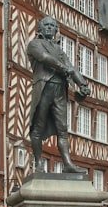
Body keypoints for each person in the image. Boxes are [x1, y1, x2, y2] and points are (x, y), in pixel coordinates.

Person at [26, 16, 92, 173]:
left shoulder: (59, 51)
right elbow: (44, 58)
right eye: (46, 25)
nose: (49, 27)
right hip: (43, 87)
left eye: (52, 25)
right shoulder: (34, 44)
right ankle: (38, 163)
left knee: (63, 129)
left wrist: (82, 84)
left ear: (56, 30)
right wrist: (63, 68)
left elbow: (72, 68)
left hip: (60, 90)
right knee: (38, 128)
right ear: (40, 28)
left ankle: (67, 163)